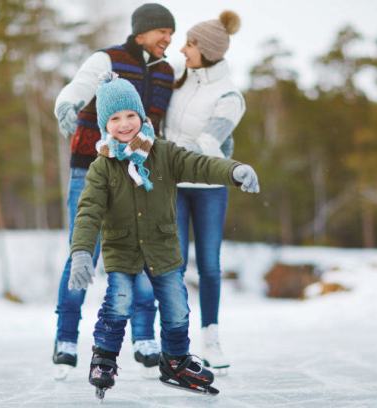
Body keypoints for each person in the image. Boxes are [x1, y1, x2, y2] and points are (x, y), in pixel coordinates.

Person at [68, 74, 259, 397]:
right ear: (105, 125)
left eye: (130, 115)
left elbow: (199, 165)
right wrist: (82, 251)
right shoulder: (102, 167)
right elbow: (88, 212)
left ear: (142, 117)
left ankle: (175, 361)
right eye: (115, 118)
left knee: (177, 308)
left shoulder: (164, 154)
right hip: (122, 251)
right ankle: (104, 358)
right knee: (119, 302)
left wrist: (233, 171)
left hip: (163, 249)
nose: (125, 124)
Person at [51, 3, 176, 378]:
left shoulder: (169, 71)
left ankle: (143, 337)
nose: (168, 39)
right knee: (82, 249)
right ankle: (66, 338)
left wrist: (217, 141)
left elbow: (186, 110)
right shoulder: (108, 59)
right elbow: (78, 87)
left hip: (138, 172)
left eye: (171, 33)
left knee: (141, 250)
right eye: (162, 32)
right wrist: (66, 105)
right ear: (141, 33)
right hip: (89, 166)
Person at [163, 10, 245, 373]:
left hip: (210, 188)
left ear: (208, 50)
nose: (183, 49)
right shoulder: (178, 83)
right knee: (174, 264)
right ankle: (174, 341)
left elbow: (209, 143)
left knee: (209, 266)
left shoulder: (229, 96)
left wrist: (171, 151)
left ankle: (210, 337)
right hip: (174, 187)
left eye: (191, 44)